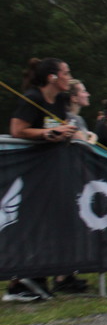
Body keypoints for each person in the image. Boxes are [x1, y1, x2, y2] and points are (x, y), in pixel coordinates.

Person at [6, 58, 79, 302]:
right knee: (30, 224)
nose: (69, 77)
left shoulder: (59, 100)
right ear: (52, 77)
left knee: (50, 225)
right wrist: (48, 133)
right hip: (31, 172)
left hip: (52, 171)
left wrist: (68, 132)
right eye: (66, 72)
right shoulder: (32, 98)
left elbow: (60, 126)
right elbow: (17, 130)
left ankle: (39, 277)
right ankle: (16, 284)